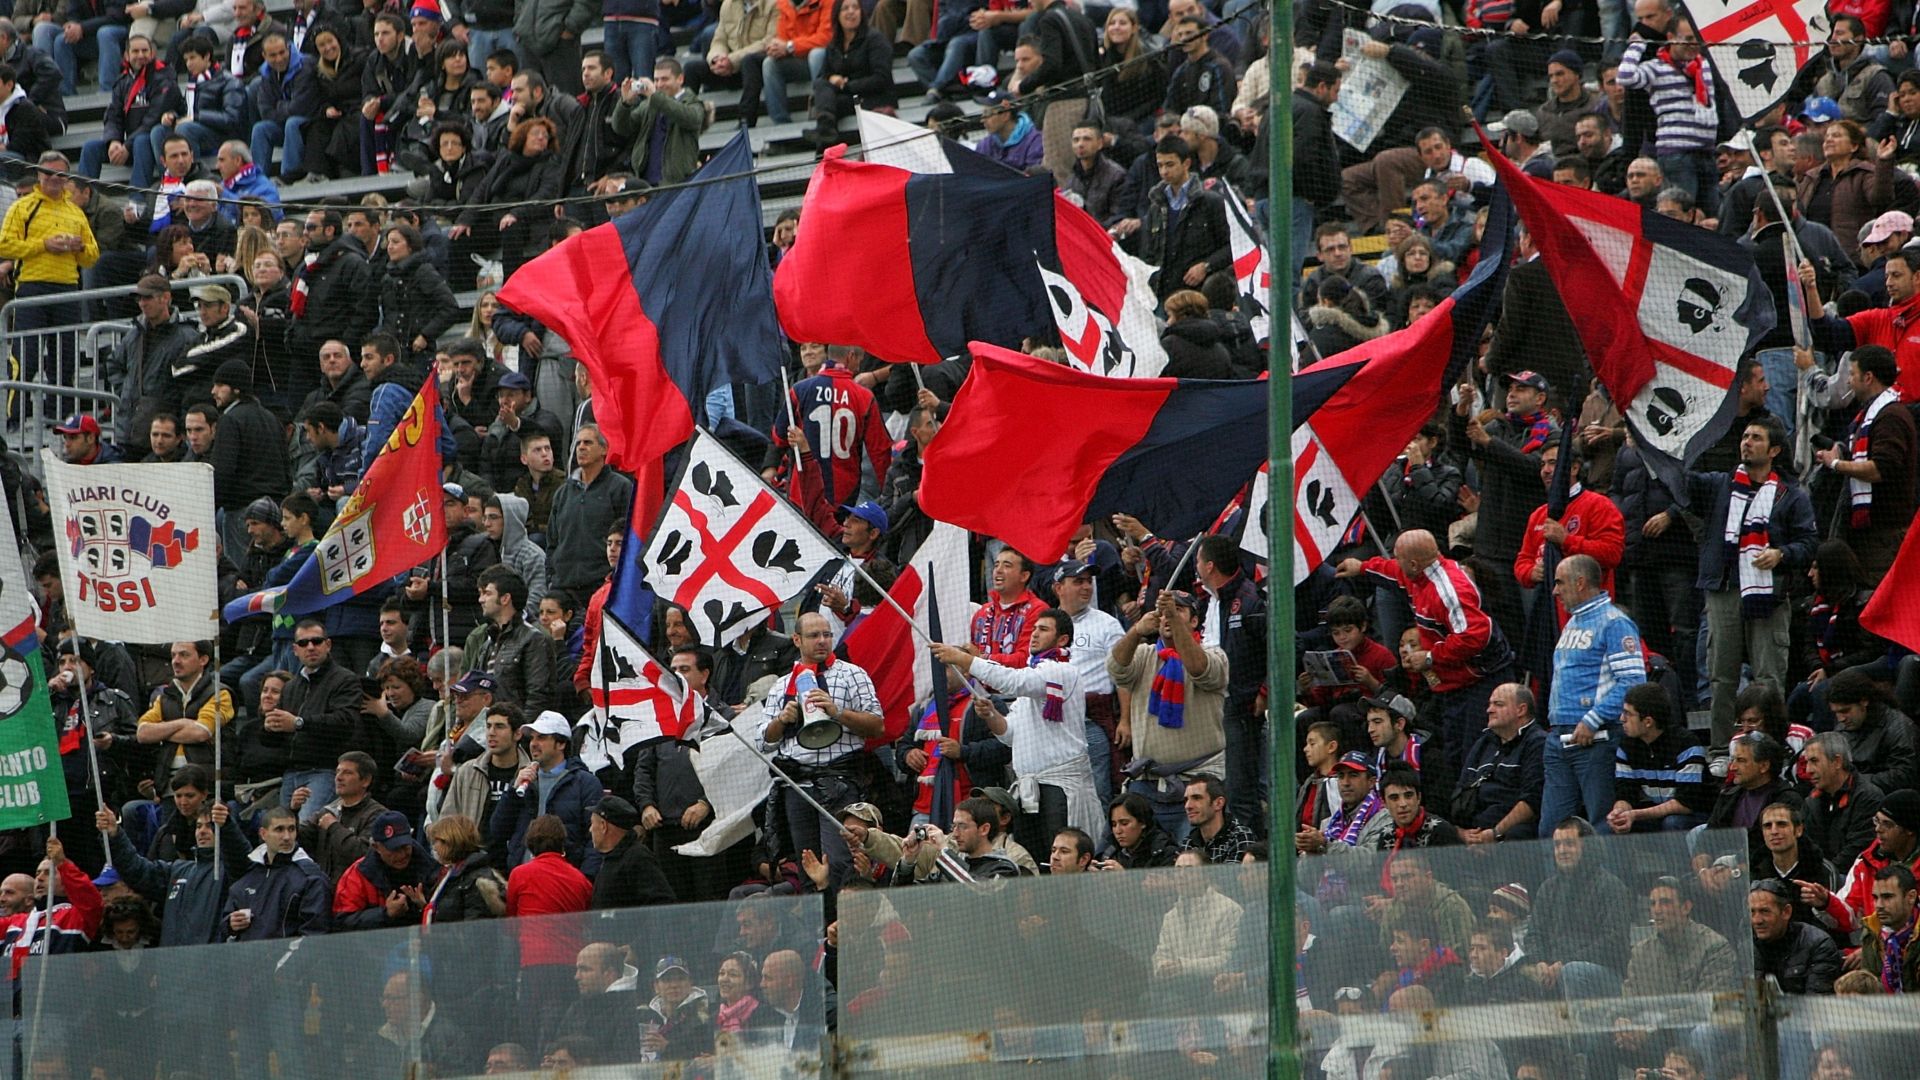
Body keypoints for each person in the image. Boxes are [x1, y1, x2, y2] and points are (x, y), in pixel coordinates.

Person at [1337, 529, 1516, 779]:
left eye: (1398, 557)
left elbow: (1477, 636)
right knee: (1454, 753)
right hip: (1453, 685)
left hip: (1481, 681)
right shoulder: (1419, 573)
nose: (1396, 562)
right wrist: (1363, 567)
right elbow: (1395, 572)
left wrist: (1431, 657)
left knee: (1473, 753)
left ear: (1413, 563)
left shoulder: (1449, 590)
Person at [1689, 415, 1819, 746]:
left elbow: (1809, 543)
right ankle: (1721, 750)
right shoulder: (1720, 484)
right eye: (1745, 436)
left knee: (1769, 677)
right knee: (1721, 678)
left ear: (1774, 449)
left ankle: (1770, 745)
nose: (1747, 442)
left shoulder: (1791, 495)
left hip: (1770, 594)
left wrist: (1781, 554)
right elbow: (1680, 482)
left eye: (1756, 437)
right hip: (1724, 589)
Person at [930, 607, 1102, 852]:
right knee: (1034, 861)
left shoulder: (1062, 672)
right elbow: (1010, 735)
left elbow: (1013, 681)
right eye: (1034, 629)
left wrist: (965, 660)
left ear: (1062, 639)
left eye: (1043, 629)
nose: (1034, 634)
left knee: (1061, 860)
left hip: (1059, 787)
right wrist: (990, 715)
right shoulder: (1035, 680)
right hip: (1029, 788)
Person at [760, 610, 883, 887]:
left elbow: (877, 726)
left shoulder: (853, 674)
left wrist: (838, 712)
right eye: (814, 635)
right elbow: (763, 742)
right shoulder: (781, 686)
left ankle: (845, 924)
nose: (822, 641)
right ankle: (821, 926)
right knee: (807, 867)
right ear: (796, 639)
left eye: (827, 635)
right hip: (797, 787)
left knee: (840, 861)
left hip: (840, 783)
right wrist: (781, 721)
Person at [1107, 588, 1229, 840]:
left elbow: (1199, 669)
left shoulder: (1215, 655)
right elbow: (1116, 668)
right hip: (1147, 782)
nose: (1168, 617)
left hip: (1198, 786)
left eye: (1178, 611)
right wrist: (1137, 630)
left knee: (1190, 864)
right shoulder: (1144, 655)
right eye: (1163, 613)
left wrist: (1173, 619)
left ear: (1195, 621)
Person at [0, 151, 95, 421]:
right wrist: (44, 245)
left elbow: (92, 255)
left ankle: (61, 418)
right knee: (24, 356)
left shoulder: (75, 212)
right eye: (48, 173)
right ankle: (14, 417)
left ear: (68, 178)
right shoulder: (22, 207)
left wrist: (79, 247)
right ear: (39, 176)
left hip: (66, 289)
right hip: (31, 288)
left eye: (60, 174)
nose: (54, 179)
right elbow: (4, 245)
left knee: (64, 359)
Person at [269, 618, 363, 821]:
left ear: (328, 645)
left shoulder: (345, 679)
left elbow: (346, 721)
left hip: (325, 771)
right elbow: (275, 740)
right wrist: (269, 728)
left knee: (306, 827)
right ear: (295, 649)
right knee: (279, 831)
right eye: (303, 643)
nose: (310, 647)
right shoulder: (291, 686)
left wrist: (299, 723)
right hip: (291, 772)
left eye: (316, 641)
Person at [490, 710, 605, 870]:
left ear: (561, 744)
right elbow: (498, 831)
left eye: (542, 737)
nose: (533, 743)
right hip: (523, 875)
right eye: (532, 738)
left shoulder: (585, 783)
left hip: (563, 880)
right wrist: (512, 792)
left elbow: (595, 839)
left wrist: (585, 880)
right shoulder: (524, 781)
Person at [1608, 682, 1711, 833]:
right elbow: (1625, 792)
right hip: (1661, 814)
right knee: (1620, 826)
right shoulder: (1627, 745)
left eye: (1628, 714)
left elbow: (1685, 803)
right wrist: (1620, 812)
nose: (1621, 718)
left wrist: (1635, 814)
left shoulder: (1686, 743)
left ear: (1648, 722)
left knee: (1673, 822)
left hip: (1698, 814)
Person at [1455, 682, 1547, 843]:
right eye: (1490, 704)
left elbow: (1532, 801)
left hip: (1508, 833)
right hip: (1474, 831)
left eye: (1498, 704)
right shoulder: (1483, 742)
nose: (1489, 710)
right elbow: (1461, 792)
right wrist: (1462, 833)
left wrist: (1495, 833)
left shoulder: (1538, 742)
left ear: (1521, 709)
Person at [223, 805, 331, 939]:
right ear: (263, 834)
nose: (287, 837)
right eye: (279, 829)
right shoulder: (250, 873)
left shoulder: (311, 877)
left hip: (288, 958)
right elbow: (224, 924)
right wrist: (230, 924)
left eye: (291, 829)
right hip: (248, 957)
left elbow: (314, 934)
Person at [333, 810, 438, 929]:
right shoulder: (357, 876)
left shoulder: (432, 869)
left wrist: (425, 908)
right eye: (393, 850)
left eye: (405, 847)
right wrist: (385, 914)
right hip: (377, 945)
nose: (401, 855)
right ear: (376, 847)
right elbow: (341, 923)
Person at [1805, 731, 1885, 873]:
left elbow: (1857, 852)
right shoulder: (1812, 801)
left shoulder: (1868, 797)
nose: (1808, 770)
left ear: (1837, 761)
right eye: (1807, 762)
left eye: (1814, 761)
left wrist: (1824, 878)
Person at [894, 796, 1024, 883]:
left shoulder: (1005, 869)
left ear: (984, 829)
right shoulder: (951, 868)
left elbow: (976, 888)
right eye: (954, 826)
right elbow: (908, 901)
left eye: (962, 826)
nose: (955, 834)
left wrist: (944, 851)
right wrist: (908, 861)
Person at [1750, 878, 1841, 994]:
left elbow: (1818, 1003)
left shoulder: (1818, 945)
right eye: (1752, 912)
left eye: (1765, 911)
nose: (1757, 920)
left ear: (1786, 912)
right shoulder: (1747, 947)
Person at [587, 796, 675, 909]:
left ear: (604, 826)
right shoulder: (612, 859)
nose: (590, 830)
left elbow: (662, 902)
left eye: (592, 824)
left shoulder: (638, 858)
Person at [1860, 863, 1920, 991]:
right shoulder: (1871, 931)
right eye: (1875, 898)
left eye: (1887, 897)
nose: (1879, 905)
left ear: (1911, 897)